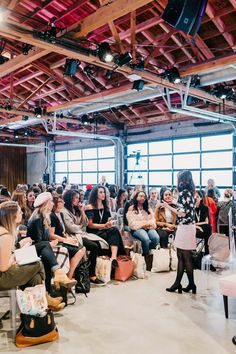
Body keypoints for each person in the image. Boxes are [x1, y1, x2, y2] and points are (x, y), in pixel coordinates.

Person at [0, 200, 63, 311]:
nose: (22, 214)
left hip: (4, 274)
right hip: (2, 278)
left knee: (35, 277)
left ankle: (38, 307)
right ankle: (45, 299)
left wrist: (18, 248)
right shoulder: (5, 235)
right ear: (12, 216)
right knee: (38, 263)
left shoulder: (4, 232)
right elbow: (3, 267)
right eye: (19, 212)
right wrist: (14, 257)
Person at [27, 192, 77, 294]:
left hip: (43, 247)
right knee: (56, 252)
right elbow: (38, 241)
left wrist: (51, 243)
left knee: (59, 251)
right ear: (45, 204)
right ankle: (58, 280)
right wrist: (51, 244)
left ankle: (53, 286)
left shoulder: (43, 217)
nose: (53, 204)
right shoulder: (37, 219)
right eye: (51, 202)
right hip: (34, 249)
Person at [62, 189, 107, 286]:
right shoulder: (64, 211)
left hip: (79, 234)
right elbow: (70, 227)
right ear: (70, 199)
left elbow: (85, 223)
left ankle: (90, 272)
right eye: (76, 198)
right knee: (94, 246)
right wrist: (80, 227)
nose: (78, 200)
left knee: (98, 244)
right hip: (71, 235)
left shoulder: (75, 209)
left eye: (79, 198)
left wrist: (82, 211)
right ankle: (91, 275)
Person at [163, 170, 196, 294]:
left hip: (185, 227)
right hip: (188, 227)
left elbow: (182, 212)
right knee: (183, 256)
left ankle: (180, 283)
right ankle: (189, 284)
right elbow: (185, 207)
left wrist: (167, 206)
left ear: (183, 180)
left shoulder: (183, 193)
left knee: (184, 257)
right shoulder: (190, 192)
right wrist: (174, 203)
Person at [86, 186, 125, 268]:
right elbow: (90, 225)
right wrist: (104, 225)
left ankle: (113, 257)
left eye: (104, 192)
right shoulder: (89, 207)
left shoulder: (105, 207)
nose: (103, 194)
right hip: (94, 231)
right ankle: (118, 256)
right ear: (95, 194)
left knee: (114, 230)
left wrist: (109, 222)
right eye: (100, 192)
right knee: (113, 233)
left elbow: (107, 221)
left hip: (104, 230)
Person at [50, 195, 86, 280]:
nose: (63, 203)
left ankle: (69, 275)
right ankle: (69, 276)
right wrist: (66, 239)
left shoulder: (61, 214)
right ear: (55, 203)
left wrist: (68, 239)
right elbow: (51, 235)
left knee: (82, 248)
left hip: (62, 239)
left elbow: (63, 231)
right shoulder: (52, 216)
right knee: (81, 250)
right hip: (56, 242)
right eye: (61, 201)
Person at [127, 191, 159, 256]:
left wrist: (149, 224)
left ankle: (149, 253)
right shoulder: (131, 208)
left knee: (156, 238)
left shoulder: (147, 208)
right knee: (146, 239)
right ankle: (145, 256)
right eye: (141, 196)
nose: (143, 198)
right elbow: (132, 223)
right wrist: (144, 224)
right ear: (136, 197)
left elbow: (153, 220)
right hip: (137, 229)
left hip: (148, 227)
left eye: (144, 197)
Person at [195, 190, 212, 255]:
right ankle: (204, 253)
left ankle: (207, 252)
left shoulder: (205, 208)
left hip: (203, 228)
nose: (195, 198)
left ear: (201, 198)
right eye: (194, 197)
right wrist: (197, 226)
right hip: (193, 228)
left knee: (208, 227)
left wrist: (197, 224)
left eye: (197, 197)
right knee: (207, 229)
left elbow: (206, 222)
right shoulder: (191, 208)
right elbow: (190, 223)